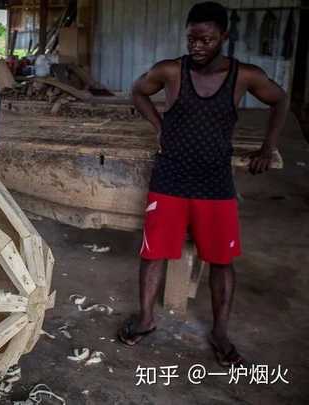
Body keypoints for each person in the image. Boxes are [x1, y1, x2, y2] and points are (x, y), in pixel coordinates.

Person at [117, 1, 289, 367]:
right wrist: (160, 127)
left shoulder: (244, 76)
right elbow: (137, 91)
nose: (196, 47)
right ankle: (146, 319)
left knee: (222, 260)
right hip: (170, 178)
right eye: (191, 39)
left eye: (206, 40)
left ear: (224, 38)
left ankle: (220, 333)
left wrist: (268, 146)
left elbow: (280, 99)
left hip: (215, 183)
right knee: (153, 253)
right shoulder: (170, 70)